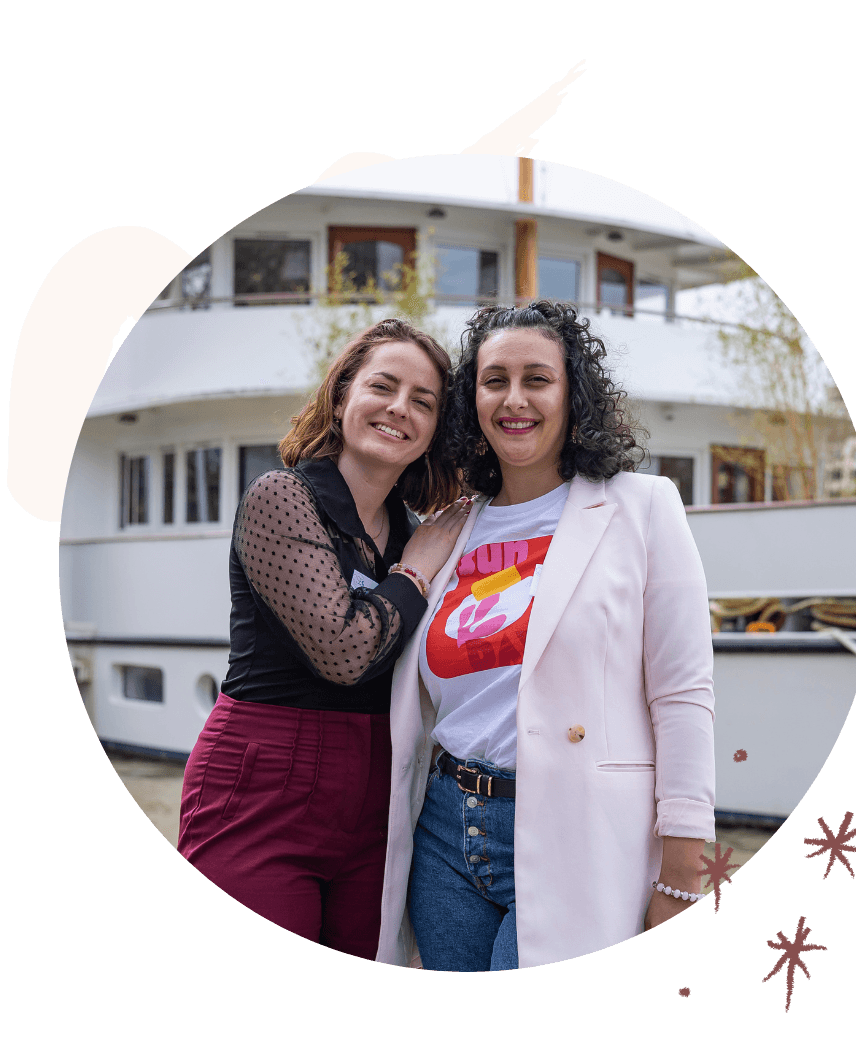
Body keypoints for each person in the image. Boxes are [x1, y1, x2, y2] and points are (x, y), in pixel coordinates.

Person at [376, 301, 716, 971]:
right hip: (445, 833)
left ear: (572, 394)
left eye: (537, 379)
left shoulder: (642, 507)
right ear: (472, 400)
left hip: (579, 830)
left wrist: (683, 869)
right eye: (494, 380)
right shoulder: (449, 528)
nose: (515, 399)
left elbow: (682, 694)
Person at [177, 319, 471, 960]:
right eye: (383, 387)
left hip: (378, 795)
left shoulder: (412, 533)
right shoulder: (282, 497)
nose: (400, 408)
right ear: (341, 399)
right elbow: (344, 651)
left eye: (423, 402)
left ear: (434, 432)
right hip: (265, 782)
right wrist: (414, 575)